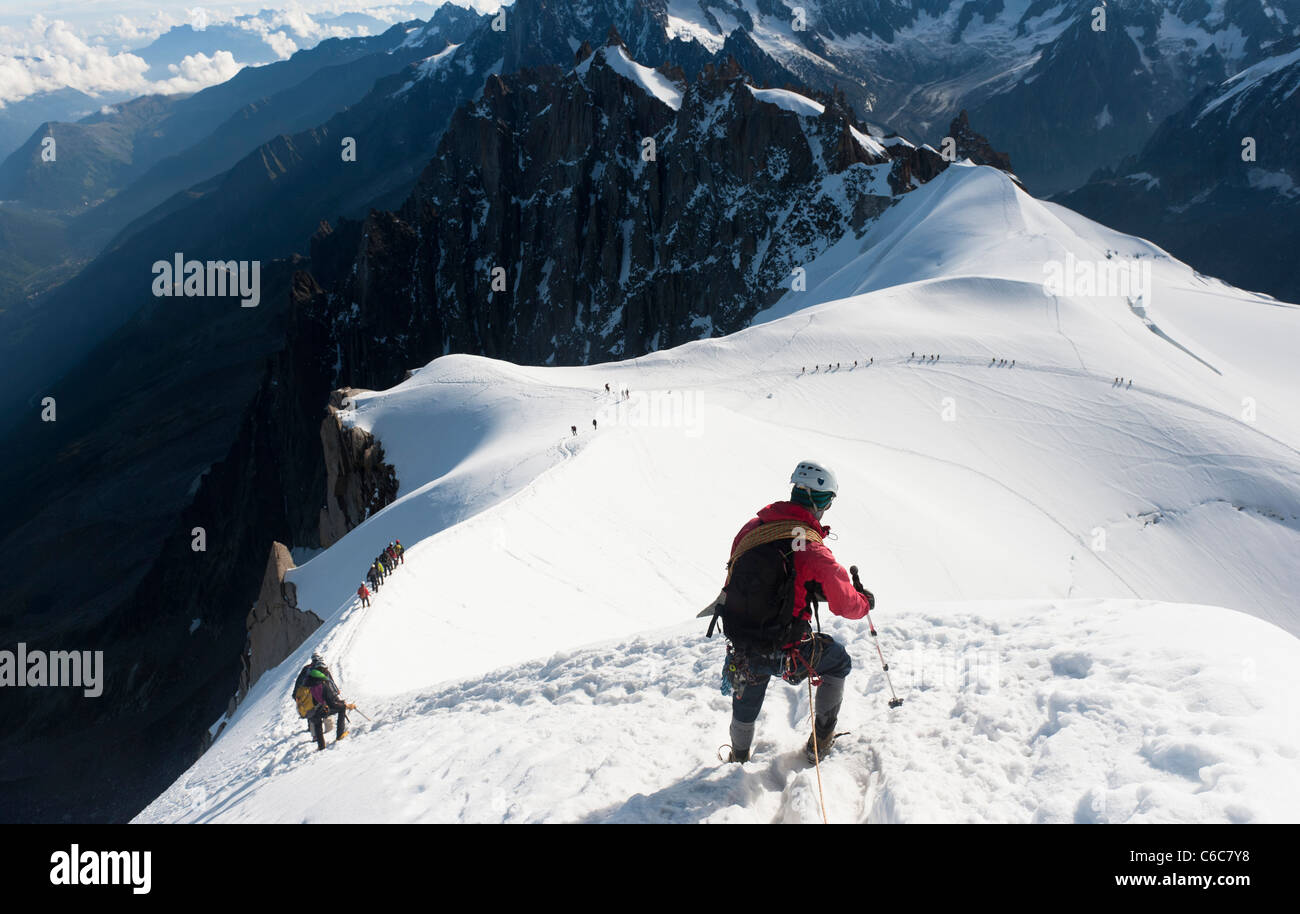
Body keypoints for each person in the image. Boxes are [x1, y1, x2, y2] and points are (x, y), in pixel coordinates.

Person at [710, 461, 874, 764]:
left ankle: (739, 755)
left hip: (743, 642)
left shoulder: (753, 528)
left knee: (749, 686)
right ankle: (820, 742)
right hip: (787, 649)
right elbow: (845, 604)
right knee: (837, 662)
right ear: (822, 501)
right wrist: (863, 601)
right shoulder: (810, 547)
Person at [295, 653, 352, 750]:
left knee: (317, 724)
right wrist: (344, 705)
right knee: (341, 709)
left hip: (309, 711)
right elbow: (331, 703)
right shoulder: (322, 685)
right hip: (320, 709)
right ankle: (340, 734)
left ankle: (321, 746)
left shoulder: (307, 681)